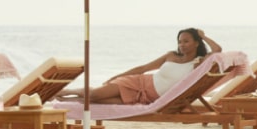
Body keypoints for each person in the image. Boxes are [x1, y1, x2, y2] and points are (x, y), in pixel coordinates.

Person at [78, 28, 223, 104]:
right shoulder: (171, 55)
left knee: (96, 99)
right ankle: (65, 93)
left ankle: (71, 98)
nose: (182, 45)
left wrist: (203, 35)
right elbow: (143, 69)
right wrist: (117, 76)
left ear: (197, 43)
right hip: (140, 82)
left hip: (148, 97)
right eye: (180, 42)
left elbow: (217, 49)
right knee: (95, 95)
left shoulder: (199, 62)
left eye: (186, 41)